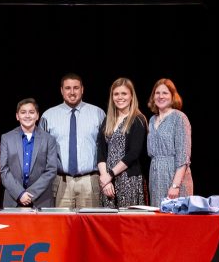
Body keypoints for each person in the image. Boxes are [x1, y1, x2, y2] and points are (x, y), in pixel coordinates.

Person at [40, 74, 106, 208]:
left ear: (82, 89)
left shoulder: (98, 114)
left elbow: (105, 149)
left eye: (76, 88)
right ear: (61, 90)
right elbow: (41, 152)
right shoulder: (48, 116)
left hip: (90, 181)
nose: (72, 92)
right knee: (61, 227)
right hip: (60, 182)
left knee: (89, 226)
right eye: (67, 88)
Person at [97, 78, 148, 208]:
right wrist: (105, 179)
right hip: (108, 182)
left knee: (127, 224)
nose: (120, 97)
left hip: (128, 180)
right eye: (116, 94)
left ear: (131, 96)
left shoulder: (137, 120)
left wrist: (111, 174)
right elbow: (101, 152)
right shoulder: (108, 120)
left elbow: (133, 153)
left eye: (124, 93)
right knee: (107, 224)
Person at [0, 98, 59, 209]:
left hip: (41, 200)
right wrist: (20, 193)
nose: (27, 116)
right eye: (23, 112)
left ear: (37, 116)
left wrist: (30, 194)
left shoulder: (49, 139)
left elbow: (51, 170)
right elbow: (4, 170)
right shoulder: (6, 138)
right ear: (17, 116)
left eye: (31, 112)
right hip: (14, 199)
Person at [146, 78, 193, 205]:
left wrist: (175, 185)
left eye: (165, 93)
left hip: (174, 176)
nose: (161, 96)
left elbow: (183, 156)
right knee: (158, 220)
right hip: (156, 176)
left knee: (176, 220)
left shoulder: (179, 118)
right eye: (157, 93)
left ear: (173, 96)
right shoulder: (151, 120)